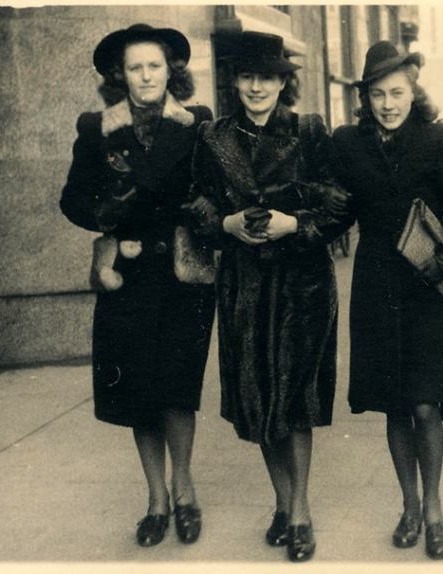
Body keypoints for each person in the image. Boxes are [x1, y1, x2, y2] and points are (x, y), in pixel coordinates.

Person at [186, 31, 347, 562]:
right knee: (257, 400)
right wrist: (225, 223)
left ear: (283, 83)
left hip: (303, 286)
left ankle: (299, 512)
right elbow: (196, 202)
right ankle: (282, 501)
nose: (257, 87)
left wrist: (294, 224)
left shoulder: (309, 130)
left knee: (296, 399)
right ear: (234, 81)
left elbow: (341, 204)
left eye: (268, 78)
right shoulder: (213, 137)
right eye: (248, 77)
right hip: (243, 285)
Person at [59, 23, 214, 547]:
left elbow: (216, 189)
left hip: (182, 275)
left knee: (177, 389)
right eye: (135, 67)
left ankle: (185, 489)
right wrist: (106, 212)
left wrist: (203, 211)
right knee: (138, 393)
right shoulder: (96, 128)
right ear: (119, 75)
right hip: (125, 277)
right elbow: (72, 200)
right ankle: (157, 500)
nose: (145, 76)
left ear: (171, 71)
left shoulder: (196, 123)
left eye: (154, 65)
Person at [330, 41, 443, 560]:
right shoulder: (348, 144)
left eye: (397, 93)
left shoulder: (439, 140)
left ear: (413, 91)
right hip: (376, 283)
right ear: (365, 98)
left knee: (424, 402)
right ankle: (410, 507)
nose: (388, 104)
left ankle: (434, 509)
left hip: (427, 281)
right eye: (378, 95)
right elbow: (336, 211)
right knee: (394, 403)